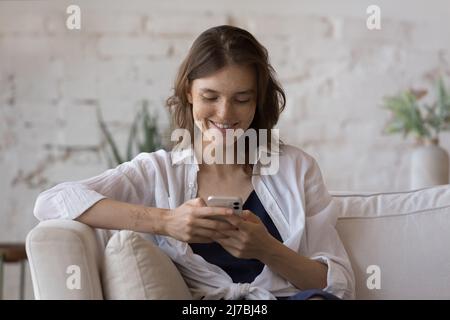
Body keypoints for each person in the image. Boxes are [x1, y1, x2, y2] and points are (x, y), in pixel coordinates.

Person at [33, 25, 355, 300]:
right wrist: (166, 221)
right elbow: (53, 202)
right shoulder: (159, 172)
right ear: (189, 93)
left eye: (242, 99)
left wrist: (266, 249)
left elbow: (338, 285)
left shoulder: (297, 168)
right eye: (210, 97)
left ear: (258, 100)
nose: (225, 114)